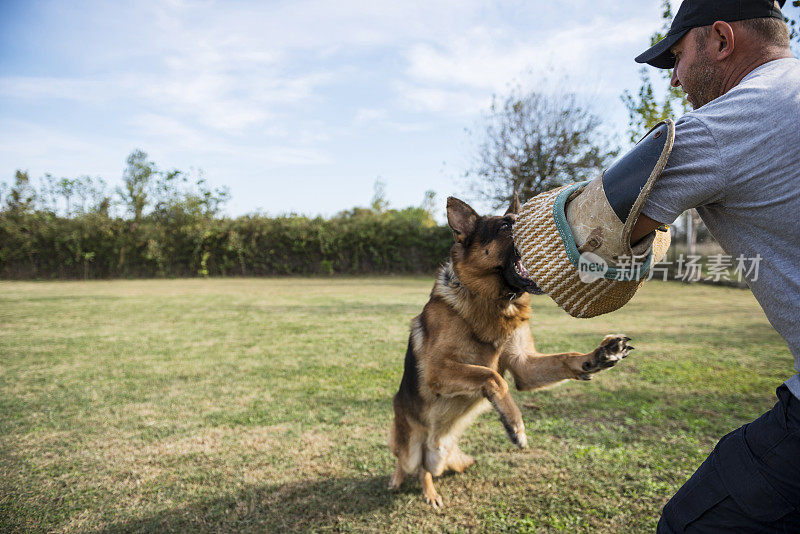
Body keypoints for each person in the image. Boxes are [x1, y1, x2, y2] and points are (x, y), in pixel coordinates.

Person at [632, 0, 800, 531]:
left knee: (691, 523)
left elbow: (599, 236)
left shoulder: (722, 126)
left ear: (722, 40)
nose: (676, 79)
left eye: (679, 56)